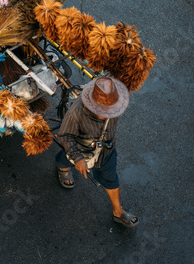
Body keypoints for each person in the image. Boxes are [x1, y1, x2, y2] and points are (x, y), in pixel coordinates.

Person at [56, 76, 139, 228]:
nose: (109, 114)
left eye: (111, 110)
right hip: (80, 147)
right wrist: (78, 158)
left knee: (111, 177)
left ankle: (118, 211)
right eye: (104, 111)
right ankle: (63, 169)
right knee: (66, 159)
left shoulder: (116, 102)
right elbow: (65, 136)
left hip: (106, 150)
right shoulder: (76, 113)